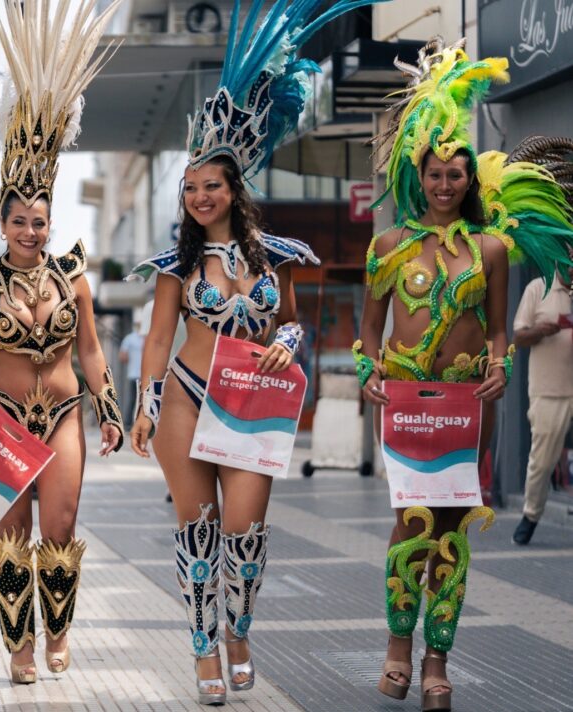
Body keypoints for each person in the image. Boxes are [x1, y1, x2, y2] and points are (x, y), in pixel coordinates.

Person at [126, 2, 400, 706]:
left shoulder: (274, 256)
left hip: (250, 402)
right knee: (198, 532)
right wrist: (145, 405)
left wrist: (284, 343)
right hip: (187, 397)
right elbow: (157, 339)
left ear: (234, 189)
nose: (198, 196)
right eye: (190, 187)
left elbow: (292, 324)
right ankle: (202, 649)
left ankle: (239, 632)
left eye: (210, 185)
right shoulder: (174, 265)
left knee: (246, 533)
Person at [355, 40, 573, 711]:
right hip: (406, 403)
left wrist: (501, 365)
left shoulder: (491, 249)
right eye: (435, 174)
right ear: (418, 176)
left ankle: (437, 659)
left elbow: (499, 328)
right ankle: (398, 646)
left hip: (467, 405)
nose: (444, 185)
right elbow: (370, 328)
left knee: (451, 528)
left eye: (455, 175)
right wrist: (367, 370)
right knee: (409, 524)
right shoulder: (388, 246)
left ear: (469, 181)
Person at [0, 0, 123, 686]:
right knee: (10, 534)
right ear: (3, 224)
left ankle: (59, 631)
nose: (31, 231)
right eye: (20, 221)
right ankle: (19, 647)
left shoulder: (73, 276)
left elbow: (90, 351)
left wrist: (108, 408)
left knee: (61, 524)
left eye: (40, 221)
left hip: (62, 416)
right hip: (1, 419)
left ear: (51, 223)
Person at [511, 255, 573, 545]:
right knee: (542, 461)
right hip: (549, 389)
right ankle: (531, 515)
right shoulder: (538, 288)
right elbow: (518, 337)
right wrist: (541, 330)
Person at [118, 321, 144, 428]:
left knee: (142, 400)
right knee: (134, 399)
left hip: (144, 374)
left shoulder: (146, 338)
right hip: (134, 374)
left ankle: (138, 422)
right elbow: (122, 356)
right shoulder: (129, 339)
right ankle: (129, 423)